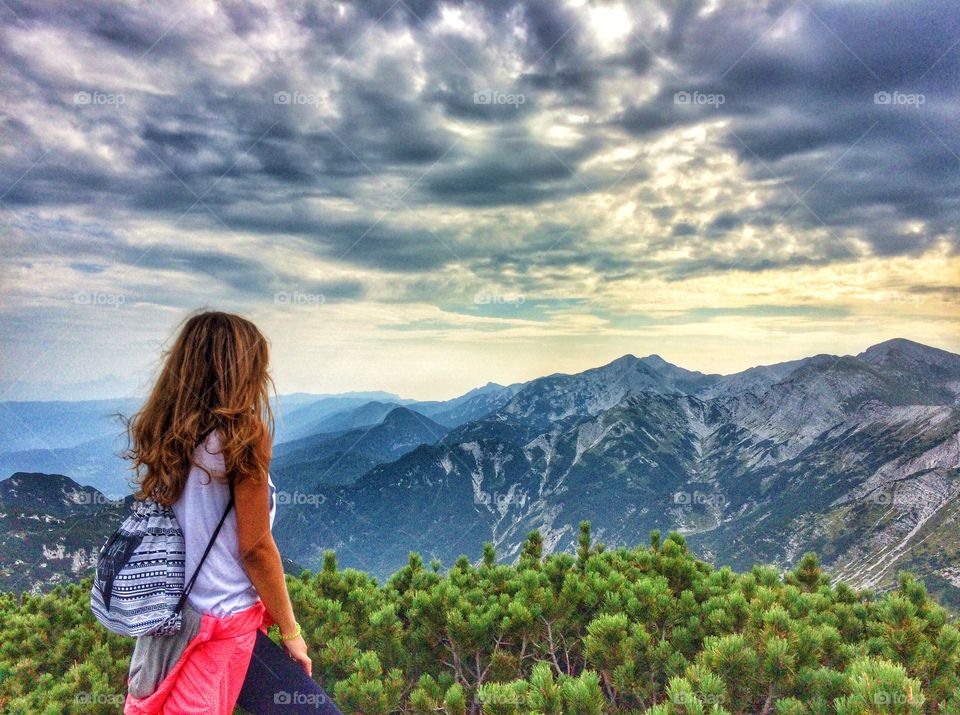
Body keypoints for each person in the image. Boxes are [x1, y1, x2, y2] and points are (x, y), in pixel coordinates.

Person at [122, 310, 343, 714]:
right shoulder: (244, 437)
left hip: (177, 620)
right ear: (240, 369)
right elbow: (256, 548)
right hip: (225, 626)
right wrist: (291, 631)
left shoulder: (170, 435)